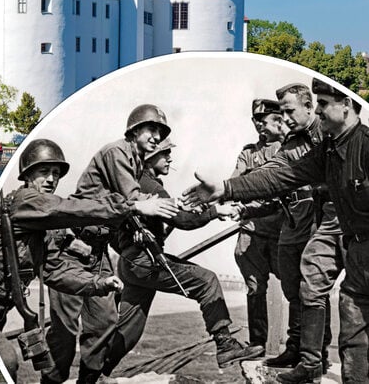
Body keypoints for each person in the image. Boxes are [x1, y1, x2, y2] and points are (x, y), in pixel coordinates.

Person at [46, 104, 260, 384]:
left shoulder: (136, 169)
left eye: (161, 134)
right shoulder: (122, 159)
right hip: (74, 248)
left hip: (100, 253)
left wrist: (133, 231)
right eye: (153, 133)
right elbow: (147, 205)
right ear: (135, 132)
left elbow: (122, 211)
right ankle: (225, 344)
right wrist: (211, 210)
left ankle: (91, 378)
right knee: (64, 336)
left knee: (118, 329)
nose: (160, 142)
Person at [183, 78, 369, 383]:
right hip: (342, 235)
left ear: (346, 104)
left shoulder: (361, 143)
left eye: (323, 104)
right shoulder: (326, 149)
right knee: (336, 305)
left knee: (352, 311)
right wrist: (226, 188)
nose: (318, 111)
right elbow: (279, 176)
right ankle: (311, 361)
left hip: (346, 232)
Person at [0, 138, 179, 381]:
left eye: (56, 173)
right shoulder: (25, 201)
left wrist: (99, 283)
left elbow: (55, 270)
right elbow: (68, 209)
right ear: (27, 175)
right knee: (5, 361)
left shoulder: (43, 228)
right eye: (44, 172)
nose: (51, 179)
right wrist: (133, 207)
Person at [99, 138, 263, 376]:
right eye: (165, 153)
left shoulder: (135, 183)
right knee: (207, 281)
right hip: (145, 261)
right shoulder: (147, 183)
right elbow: (183, 221)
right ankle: (225, 345)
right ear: (149, 157)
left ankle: (93, 373)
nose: (170, 158)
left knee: (128, 332)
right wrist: (215, 211)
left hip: (131, 264)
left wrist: (129, 246)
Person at [259, 84, 326, 370]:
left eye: (290, 111)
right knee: (291, 286)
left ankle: (317, 352)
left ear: (309, 106)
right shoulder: (291, 143)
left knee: (313, 288)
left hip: (320, 221)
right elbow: (270, 171)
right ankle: (296, 347)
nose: (285, 119)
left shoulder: (328, 131)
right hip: (293, 222)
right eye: (282, 113)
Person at [231, 98, 287, 350]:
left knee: (296, 286)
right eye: (255, 120)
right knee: (255, 287)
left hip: (282, 231)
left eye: (263, 120)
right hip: (252, 230)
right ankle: (257, 343)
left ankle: (302, 345)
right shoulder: (248, 152)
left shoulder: (287, 148)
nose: (259, 125)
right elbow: (235, 182)